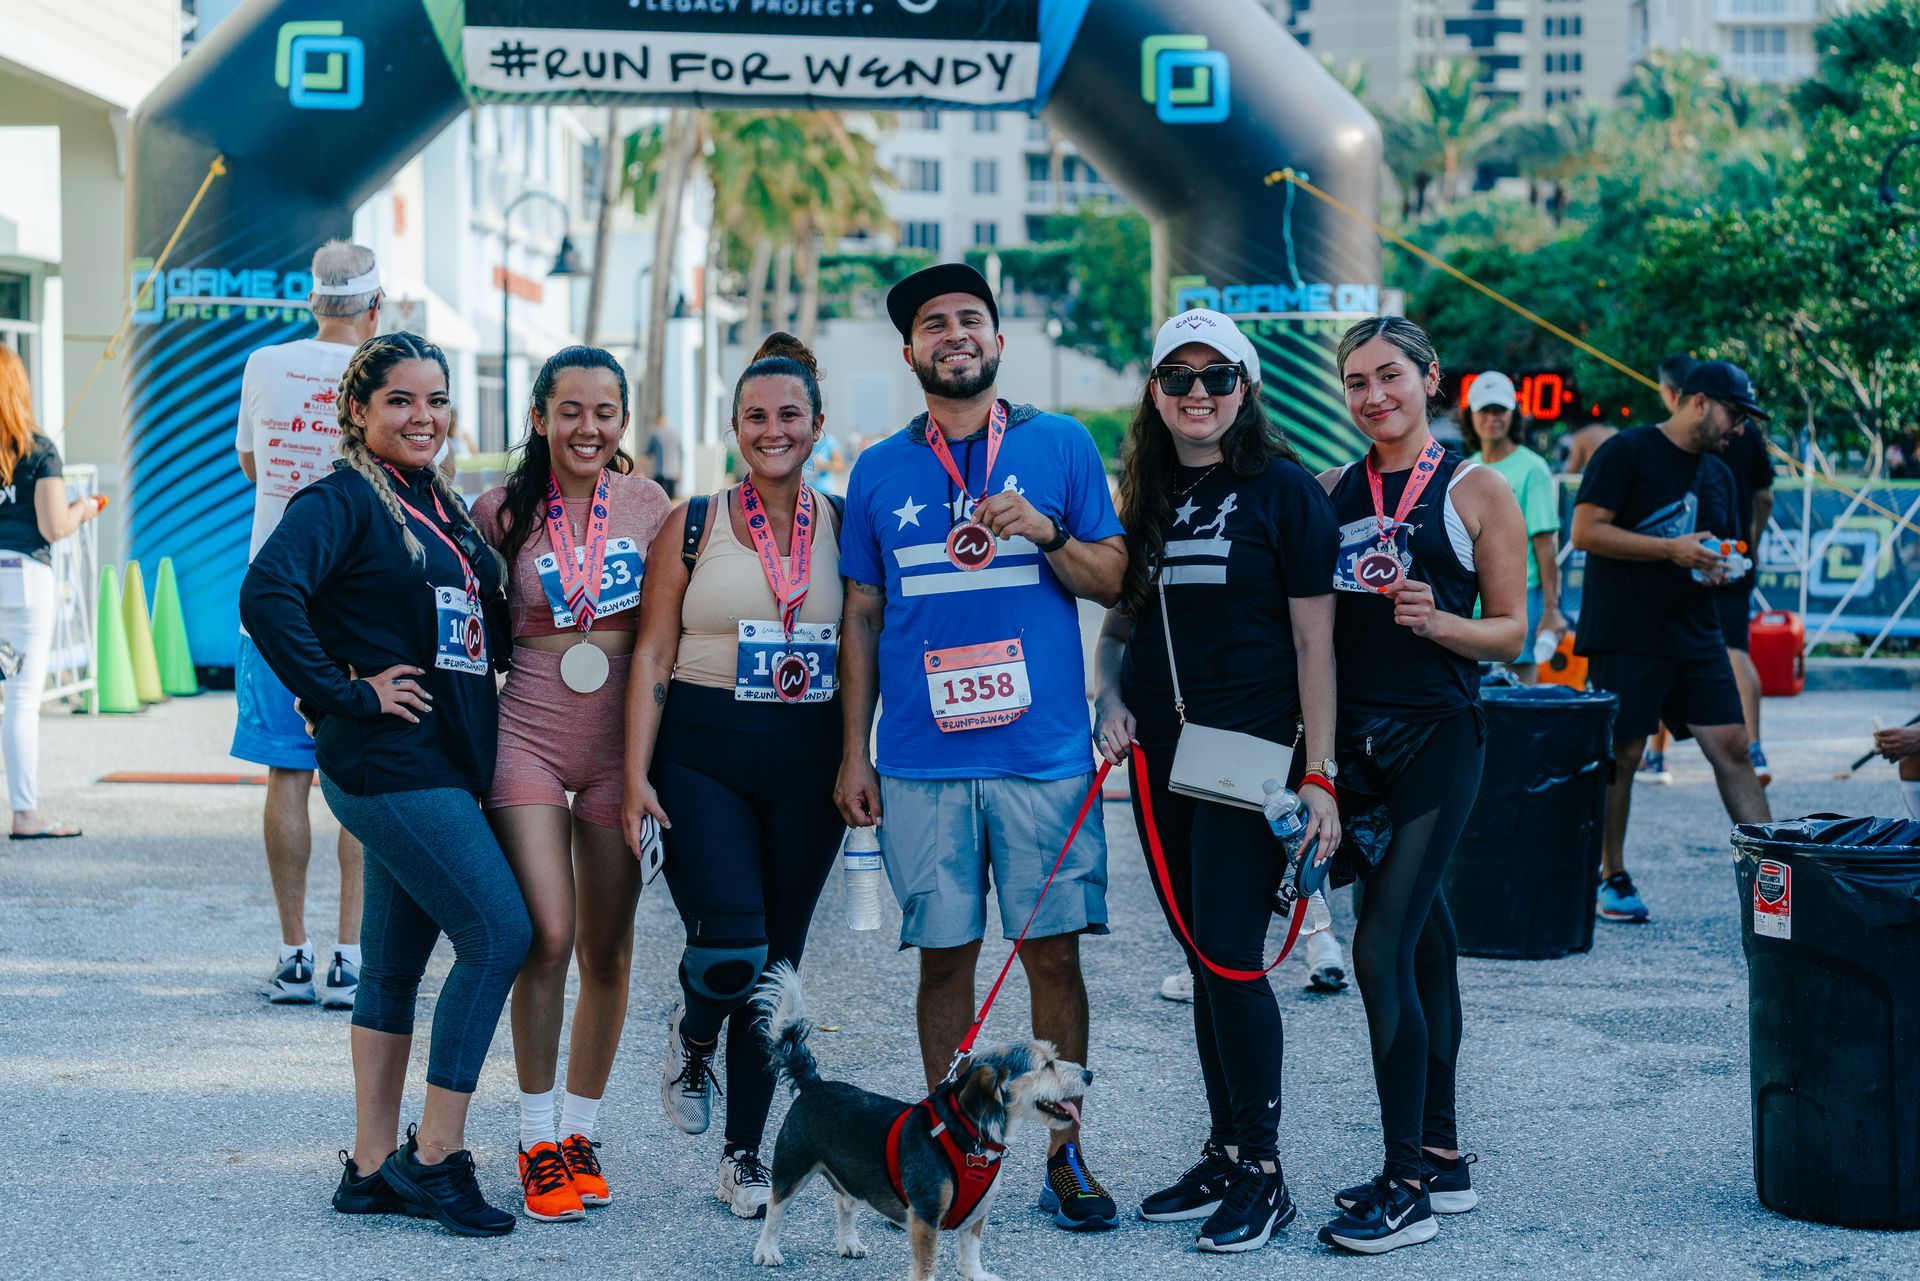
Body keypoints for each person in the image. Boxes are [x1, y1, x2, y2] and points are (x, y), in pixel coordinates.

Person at [834, 263, 1128, 1231]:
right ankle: (948, 1155)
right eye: (934, 323)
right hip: (922, 760)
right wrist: (854, 751)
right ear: (909, 351)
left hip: (1042, 755)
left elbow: (1113, 578)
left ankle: (1064, 1155)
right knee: (943, 963)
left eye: (971, 318)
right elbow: (862, 615)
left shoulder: (1060, 444)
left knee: (1053, 960)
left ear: (999, 341)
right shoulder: (878, 469)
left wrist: (1045, 531)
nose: (955, 333)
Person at [240, 333, 528, 1237]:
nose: (423, 416)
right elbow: (267, 593)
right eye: (400, 400)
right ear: (356, 410)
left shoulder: (435, 501)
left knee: (396, 965)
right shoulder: (341, 499)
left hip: (440, 761)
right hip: (391, 765)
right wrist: (345, 691)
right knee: (498, 932)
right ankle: (435, 1157)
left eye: (436, 399)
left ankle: (369, 1169)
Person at [1091, 310, 1340, 1253]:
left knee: (1233, 954)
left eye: (1217, 377)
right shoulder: (1146, 494)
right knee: (1203, 956)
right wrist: (1106, 697)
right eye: (1178, 377)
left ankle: (1265, 1174)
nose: (1198, 394)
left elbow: (1317, 645)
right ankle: (1227, 1150)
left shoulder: (1285, 490)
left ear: (1247, 386)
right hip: (1159, 757)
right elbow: (1119, 628)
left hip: (1249, 758)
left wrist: (1319, 773)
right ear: (1155, 392)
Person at [1315, 317, 1527, 1255]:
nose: (1374, 396)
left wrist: (1441, 621)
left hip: (1439, 738)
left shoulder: (1477, 488)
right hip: (1357, 749)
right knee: (1427, 940)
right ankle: (1441, 1154)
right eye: (1357, 382)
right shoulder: (1330, 488)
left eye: (1390, 375)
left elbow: (1515, 630)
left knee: (1380, 943)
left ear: (1431, 378)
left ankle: (1405, 1187)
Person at [624, 333, 847, 1219]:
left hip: (808, 757)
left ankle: (744, 1155)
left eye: (790, 414)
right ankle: (691, 1036)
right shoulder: (692, 522)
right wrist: (634, 773)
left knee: (775, 963)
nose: (773, 429)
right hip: (701, 752)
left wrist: (858, 756)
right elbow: (652, 652)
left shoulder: (846, 523)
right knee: (729, 947)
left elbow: (867, 640)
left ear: (818, 425)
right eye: (755, 415)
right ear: (734, 426)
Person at [470, 347, 670, 1223]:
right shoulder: (498, 510)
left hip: (619, 745)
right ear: (540, 417)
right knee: (545, 934)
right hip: (528, 733)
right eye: (571, 410)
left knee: (608, 947)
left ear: (623, 419)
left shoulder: (650, 506)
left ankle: (582, 1133)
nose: (588, 428)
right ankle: (535, 1137)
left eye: (604, 412)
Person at [1570, 359, 1773, 925]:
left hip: (1696, 631)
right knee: (1624, 754)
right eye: (1736, 415)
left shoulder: (1720, 473)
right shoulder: (1626, 451)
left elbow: (1715, 546)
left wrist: (1718, 566)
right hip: (1626, 631)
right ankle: (1611, 876)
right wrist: (1670, 550)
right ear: (1699, 402)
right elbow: (1584, 531)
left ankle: (1778, 880)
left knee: (1734, 746)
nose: (1741, 429)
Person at [233, 240, 378, 1006]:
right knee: (358, 772)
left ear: (313, 302)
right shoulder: (387, 369)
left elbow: (254, 466)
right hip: (358, 604)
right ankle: (350, 959)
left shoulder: (265, 363)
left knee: (286, 775)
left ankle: (294, 956)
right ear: (374, 308)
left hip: (276, 597)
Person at [0, 345, 103, 839]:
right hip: (24, 579)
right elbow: (54, 526)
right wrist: (85, 508)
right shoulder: (39, 449)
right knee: (20, 699)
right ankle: (24, 814)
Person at [1466, 372, 1566, 683]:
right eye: (1485, 410)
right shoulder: (1467, 467)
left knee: (1518, 694)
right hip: (1471, 603)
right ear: (1471, 415)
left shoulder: (1533, 468)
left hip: (1520, 600)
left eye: (1500, 410)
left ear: (1513, 414)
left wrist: (1551, 610)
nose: (1492, 418)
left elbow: (1545, 544)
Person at [1635, 356, 1700, 786]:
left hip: (1672, 595)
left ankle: (1656, 755)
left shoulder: (1651, 449)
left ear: (1669, 393)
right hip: (1665, 591)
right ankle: (1654, 755)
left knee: (1658, 681)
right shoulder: (1642, 448)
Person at [1715, 393, 1776, 786]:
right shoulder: (1751, 433)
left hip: (1697, 553)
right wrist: (1751, 541)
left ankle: (1655, 754)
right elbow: (1765, 497)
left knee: (1668, 644)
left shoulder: (1689, 434)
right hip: (1737, 554)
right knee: (1737, 649)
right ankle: (1755, 748)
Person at [644, 416, 682, 499]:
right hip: (673, 472)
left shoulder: (655, 433)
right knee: (670, 499)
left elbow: (648, 453)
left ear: (657, 421)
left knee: (658, 498)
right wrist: (679, 472)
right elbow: (680, 453)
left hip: (659, 471)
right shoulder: (675, 434)